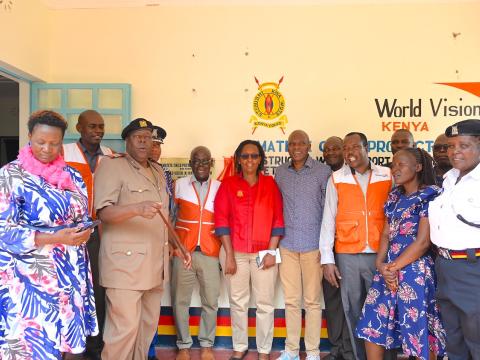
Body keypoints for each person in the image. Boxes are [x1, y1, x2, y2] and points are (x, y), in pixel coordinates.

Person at [0, 110, 98, 359]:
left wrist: (85, 230)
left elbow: (83, 214)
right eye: (40, 142)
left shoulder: (72, 175)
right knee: (37, 346)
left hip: (70, 273)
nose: (47, 149)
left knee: (71, 346)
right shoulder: (11, 175)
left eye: (54, 143)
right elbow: (4, 230)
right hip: (32, 280)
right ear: (30, 136)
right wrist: (55, 238)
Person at [94, 118, 190, 360]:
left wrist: (177, 246)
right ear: (127, 141)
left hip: (155, 267)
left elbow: (163, 216)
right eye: (138, 137)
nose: (144, 142)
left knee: (145, 330)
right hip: (125, 268)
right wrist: (136, 208)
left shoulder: (157, 170)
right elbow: (103, 212)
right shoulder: (111, 166)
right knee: (123, 332)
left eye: (148, 138)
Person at [355, 148, 446, 360]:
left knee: (417, 326)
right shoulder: (394, 195)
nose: (394, 169)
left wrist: (392, 267)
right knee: (372, 319)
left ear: (418, 167)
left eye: (401, 165)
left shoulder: (430, 195)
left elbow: (423, 242)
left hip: (415, 269)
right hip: (387, 269)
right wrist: (380, 264)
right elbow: (386, 233)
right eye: (393, 165)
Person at [320, 132, 393, 360]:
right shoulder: (337, 178)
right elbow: (328, 219)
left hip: (380, 255)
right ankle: (357, 356)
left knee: (383, 309)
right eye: (345, 148)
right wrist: (327, 259)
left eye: (354, 147)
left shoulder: (386, 174)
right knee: (352, 309)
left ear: (366, 148)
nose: (349, 152)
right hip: (347, 254)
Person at [214, 140, 284, 360]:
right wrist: (230, 257)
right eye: (245, 156)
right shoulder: (228, 185)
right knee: (238, 302)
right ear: (238, 159)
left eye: (254, 156)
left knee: (265, 304)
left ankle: (264, 350)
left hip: (264, 253)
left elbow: (278, 221)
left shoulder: (270, 184)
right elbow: (222, 221)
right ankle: (240, 346)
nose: (250, 160)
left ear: (260, 159)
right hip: (235, 252)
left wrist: (271, 253)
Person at [274, 130, 331, 360]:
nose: (296, 147)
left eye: (301, 143)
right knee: (291, 301)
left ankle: (314, 352)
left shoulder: (323, 172)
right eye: (292, 143)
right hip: (287, 245)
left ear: (309, 146)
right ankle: (291, 351)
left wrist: (326, 247)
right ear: (288, 147)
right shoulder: (280, 172)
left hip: (313, 246)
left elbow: (329, 211)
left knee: (312, 302)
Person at [63, 109, 113, 360]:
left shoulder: (111, 157)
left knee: (99, 293)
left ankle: (95, 349)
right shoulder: (64, 153)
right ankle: (72, 347)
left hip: (102, 232)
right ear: (79, 127)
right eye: (92, 126)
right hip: (71, 232)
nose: (97, 131)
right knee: (73, 290)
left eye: (101, 126)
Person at [429, 119, 480, 359]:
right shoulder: (450, 179)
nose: (454, 151)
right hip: (446, 267)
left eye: (463, 145)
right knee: (454, 343)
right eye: (451, 146)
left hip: (473, 270)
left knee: (477, 341)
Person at [172, 146, 221, 360]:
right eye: (196, 161)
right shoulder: (179, 185)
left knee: (210, 301)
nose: (201, 165)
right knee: (180, 301)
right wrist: (174, 247)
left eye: (205, 161)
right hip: (184, 252)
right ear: (190, 163)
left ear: (211, 164)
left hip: (210, 253)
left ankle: (206, 345)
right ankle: (183, 345)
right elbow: (171, 218)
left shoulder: (220, 187)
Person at [322, 136, 354, 360]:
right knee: (333, 302)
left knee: (352, 302)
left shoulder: (354, 173)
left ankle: (350, 349)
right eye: (327, 149)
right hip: (329, 249)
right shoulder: (321, 174)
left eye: (336, 148)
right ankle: (337, 350)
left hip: (352, 250)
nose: (331, 152)